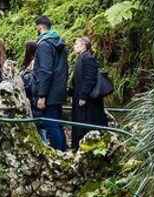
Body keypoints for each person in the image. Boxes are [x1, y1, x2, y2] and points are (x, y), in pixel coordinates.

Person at [33, 15, 69, 151]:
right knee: (58, 124)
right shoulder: (58, 43)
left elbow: (46, 71)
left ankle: (57, 154)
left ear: (40, 27)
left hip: (49, 92)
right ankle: (63, 152)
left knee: (51, 125)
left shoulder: (44, 45)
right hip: (59, 90)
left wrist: (42, 95)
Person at [70, 36, 108, 150]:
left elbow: (90, 78)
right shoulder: (82, 58)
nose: (74, 46)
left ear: (83, 45)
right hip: (80, 96)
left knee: (87, 122)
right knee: (80, 122)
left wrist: (83, 96)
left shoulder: (88, 59)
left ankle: (87, 147)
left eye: (76, 44)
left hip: (87, 101)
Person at [21, 39, 47, 142]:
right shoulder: (37, 61)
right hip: (35, 98)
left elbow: (29, 82)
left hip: (33, 99)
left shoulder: (33, 63)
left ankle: (43, 146)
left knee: (39, 128)